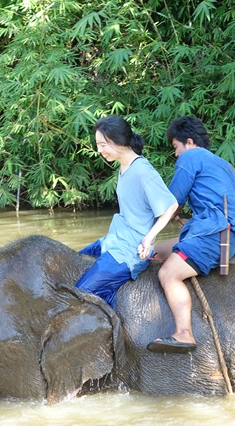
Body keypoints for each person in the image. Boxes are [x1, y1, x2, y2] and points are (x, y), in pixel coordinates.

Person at [147, 116, 235, 354]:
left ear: (188, 142)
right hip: (223, 233)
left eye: (176, 147)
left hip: (213, 236)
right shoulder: (224, 165)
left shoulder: (191, 157)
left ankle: (184, 333)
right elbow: (219, 205)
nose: (176, 154)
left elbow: (173, 203)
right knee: (156, 251)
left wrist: (148, 229)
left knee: (168, 273)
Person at [75, 116, 178, 308]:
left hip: (128, 252)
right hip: (113, 241)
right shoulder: (124, 167)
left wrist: (149, 238)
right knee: (71, 260)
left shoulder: (142, 171)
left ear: (119, 141)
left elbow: (170, 206)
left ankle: (112, 320)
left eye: (103, 144)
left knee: (80, 293)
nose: (99, 150)